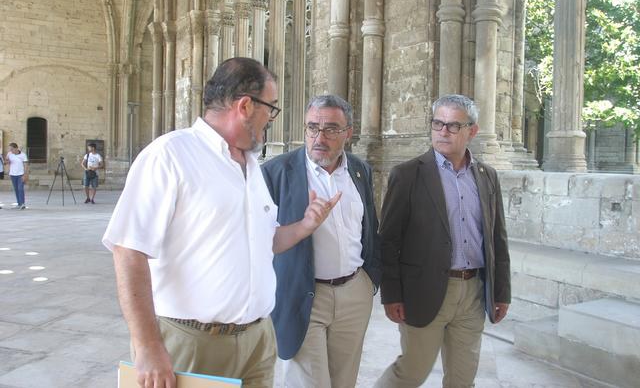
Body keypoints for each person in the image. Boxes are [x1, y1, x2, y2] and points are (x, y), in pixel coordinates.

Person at [102, 57, 341, 388]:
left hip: (257, 341)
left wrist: (305, 225)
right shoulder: (169, 155)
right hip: (193, 343)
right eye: (271, 108)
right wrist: (147, 347)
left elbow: (265, 241)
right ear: (245, 106)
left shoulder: (251, 165)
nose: (271, 120)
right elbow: (129, 251)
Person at [374, 94, 511, 388]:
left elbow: (497, 238)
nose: (443, 132)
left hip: (473, 292)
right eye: (438, 123)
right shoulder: (407, 175)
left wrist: (501, 292)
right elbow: (388, 241)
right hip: (424, 290)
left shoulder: (487, 176)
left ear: (472, 131)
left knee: (463, 379)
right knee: (411, 372)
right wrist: (391, 294)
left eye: (453, 125)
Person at [262, 94, 382, 388]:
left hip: (354, 293)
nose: (319, 137)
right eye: (312, 127)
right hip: (304, 296)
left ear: (348, 133)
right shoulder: (276, 172)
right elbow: (261, 240)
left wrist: (369, 281)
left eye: (330, 129)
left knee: (344, 382)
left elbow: (369, 227)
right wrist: (304, 225)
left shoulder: (360, 170)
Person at [5, 143, 29, 210]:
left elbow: (26, 165)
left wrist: (25, 175)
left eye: (12, 149)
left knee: (20, 189)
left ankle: (22, 204)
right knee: (16, 189)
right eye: (10, 149)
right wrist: (7, 160)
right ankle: (19, 204)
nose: (11, 150)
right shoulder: (9, 154)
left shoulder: (23, 155)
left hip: (20, 174)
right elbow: (6, 162)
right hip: (12, 174)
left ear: (16, 148)